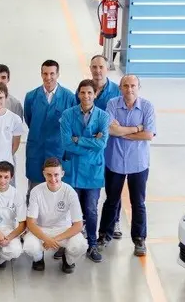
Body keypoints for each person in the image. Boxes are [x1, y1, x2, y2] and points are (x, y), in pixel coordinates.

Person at [98, 75, 156, 257]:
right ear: (120, 88)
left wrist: (121, 132)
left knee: (138, 203)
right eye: (125, 86)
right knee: (111, 200)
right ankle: (104, 236)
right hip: (114, 161)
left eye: (132, 86)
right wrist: (136, 128)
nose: (129, 89)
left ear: (139, 87)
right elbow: (110, 130)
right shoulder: (112, 104)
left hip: (138, 163)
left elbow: (149, 135)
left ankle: (139, 239)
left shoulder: (147, 107)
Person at [60, 79, 111, 263]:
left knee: (90, 209)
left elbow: (102, 144)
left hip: (92, 172)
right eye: (83, 92)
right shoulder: (67, 115)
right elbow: (66, 142)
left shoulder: (104, 117)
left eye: (90, 92)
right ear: (78, 94)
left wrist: (78, 139)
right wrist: (90, 140)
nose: (86, 96)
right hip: (73, 170)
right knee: (68, 209)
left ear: (95, 94)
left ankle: (92, 244)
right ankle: (64, 243)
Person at [80, 55, 122, 239]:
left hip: (112, 148)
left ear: (107, 69)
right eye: (94, 67)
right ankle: (83, 222)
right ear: (90, 68)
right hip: (89, 151)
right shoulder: (84, 89)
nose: (98, 70)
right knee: (88, 189)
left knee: (113, 188)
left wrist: (105, 131)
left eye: (101, 67)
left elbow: (117, 124)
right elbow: (79, 119)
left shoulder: (117, 91)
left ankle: (115, 221)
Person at [23, 158, 88, 274]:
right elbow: (31, 223)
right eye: (49, 175)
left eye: (56, 174)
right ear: (44, 174)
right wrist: (46, 238)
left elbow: (78, 225)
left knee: (81, 245)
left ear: (62, 174)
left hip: (64, 230)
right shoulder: (36, 191)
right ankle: (38, 259)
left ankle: (68, 260)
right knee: (29, 246)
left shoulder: (70, 192)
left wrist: (54, 239)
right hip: (41, 229)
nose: (53, 179)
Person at [23, 60, 76, 192]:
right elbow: (29, 120)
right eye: (45, 73)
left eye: (52, 73)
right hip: (36, 151)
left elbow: (73, 127)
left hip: (58, 150)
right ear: (41, 74)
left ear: (58, 74)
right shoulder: (31, 97)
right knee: (35, 191)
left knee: (57, 193)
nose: (48, 77)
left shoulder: (69, 97)